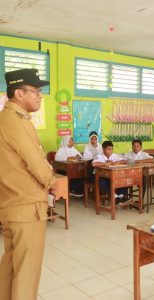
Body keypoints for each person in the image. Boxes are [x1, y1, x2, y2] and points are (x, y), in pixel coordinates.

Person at [0, 68, 60, 300]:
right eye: (35, 91)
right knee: (27, 271)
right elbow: (34, 159)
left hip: (10, 204)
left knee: (10, 267)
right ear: (18, 93)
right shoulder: (17, 119)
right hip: (26, 206)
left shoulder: (3, 118)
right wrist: (53, 183)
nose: (39, 96)